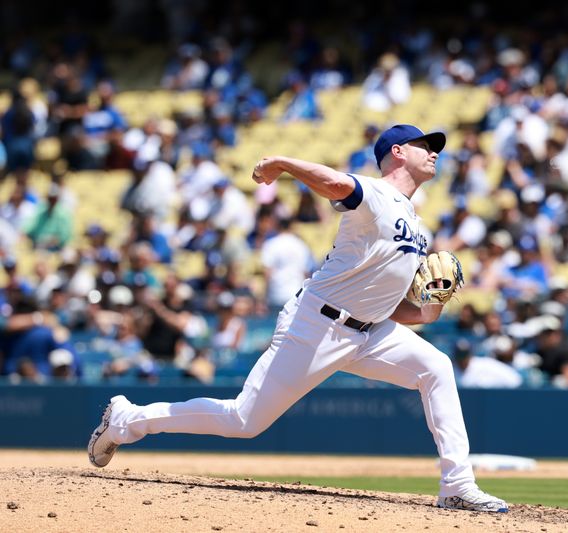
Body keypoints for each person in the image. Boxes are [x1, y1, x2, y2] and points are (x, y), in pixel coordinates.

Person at [87, 124, 508, 513]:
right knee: (243, 421)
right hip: (318, 325)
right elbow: (338, 184)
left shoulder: (417, 226)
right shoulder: (377, 195)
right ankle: (127, 419)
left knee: (436, 367)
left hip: (371, 330)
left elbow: (393, 305)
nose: (435, 153)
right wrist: (284, 163)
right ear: (397, 152)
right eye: (425, 146)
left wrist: (430, 310)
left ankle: (456, 485)